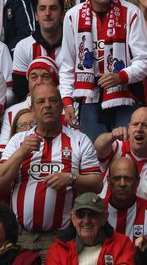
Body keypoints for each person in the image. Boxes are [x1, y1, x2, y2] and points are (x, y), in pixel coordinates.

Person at [0, 84, 102, 257]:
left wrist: (71, 178)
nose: (47, 105)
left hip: (60, 238)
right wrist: (21, 153)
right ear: (32, 109)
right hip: (20, 236)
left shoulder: (79, 140)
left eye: (53, 100)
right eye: (41, 101)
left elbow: (97, 184)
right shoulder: (18, 141)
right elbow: (2, 182)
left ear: (62, 106)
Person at [58, 0, 147, 142]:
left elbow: (144, 61)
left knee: (126, 154)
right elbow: (68, 65)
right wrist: (67, 101)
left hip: (126, 94)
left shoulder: (131, 13)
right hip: (90, 98)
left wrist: (121, 76)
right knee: (94, 155)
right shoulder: (72, 16)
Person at [94, 107, 147, 212]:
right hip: (105, 219)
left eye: (145, 125)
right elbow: (98, 147)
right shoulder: (116, 147)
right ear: (128, 129)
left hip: (142, 225)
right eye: (135, 124)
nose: (139, 129)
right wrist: (111, 136)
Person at [46, 192, 135, 265]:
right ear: (73, 219)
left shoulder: (123, 245)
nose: (86, 220)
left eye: (93, 214)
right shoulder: (58, 249)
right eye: (80, 215)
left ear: (104, 218)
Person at [12, 0, 63, 101]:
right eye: (42, 8)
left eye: (53, 8)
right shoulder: (23, 47)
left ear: (62, 15)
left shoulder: (74, 45)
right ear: (36, 15)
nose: (47, 13)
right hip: (34, 108)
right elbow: (20, 90)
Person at [1, 56, 59, 152]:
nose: (39, 82)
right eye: (34, 77)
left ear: (55, 82)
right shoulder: (11, 112)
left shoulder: (69, 110)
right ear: (28, 82)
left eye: (45, 76)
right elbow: (3, 150)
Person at [104, 157, 147, 244]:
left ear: (137, 181)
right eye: (117, 178)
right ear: (108, 181)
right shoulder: (98, 211)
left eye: (128, 178)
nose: (122, 184)